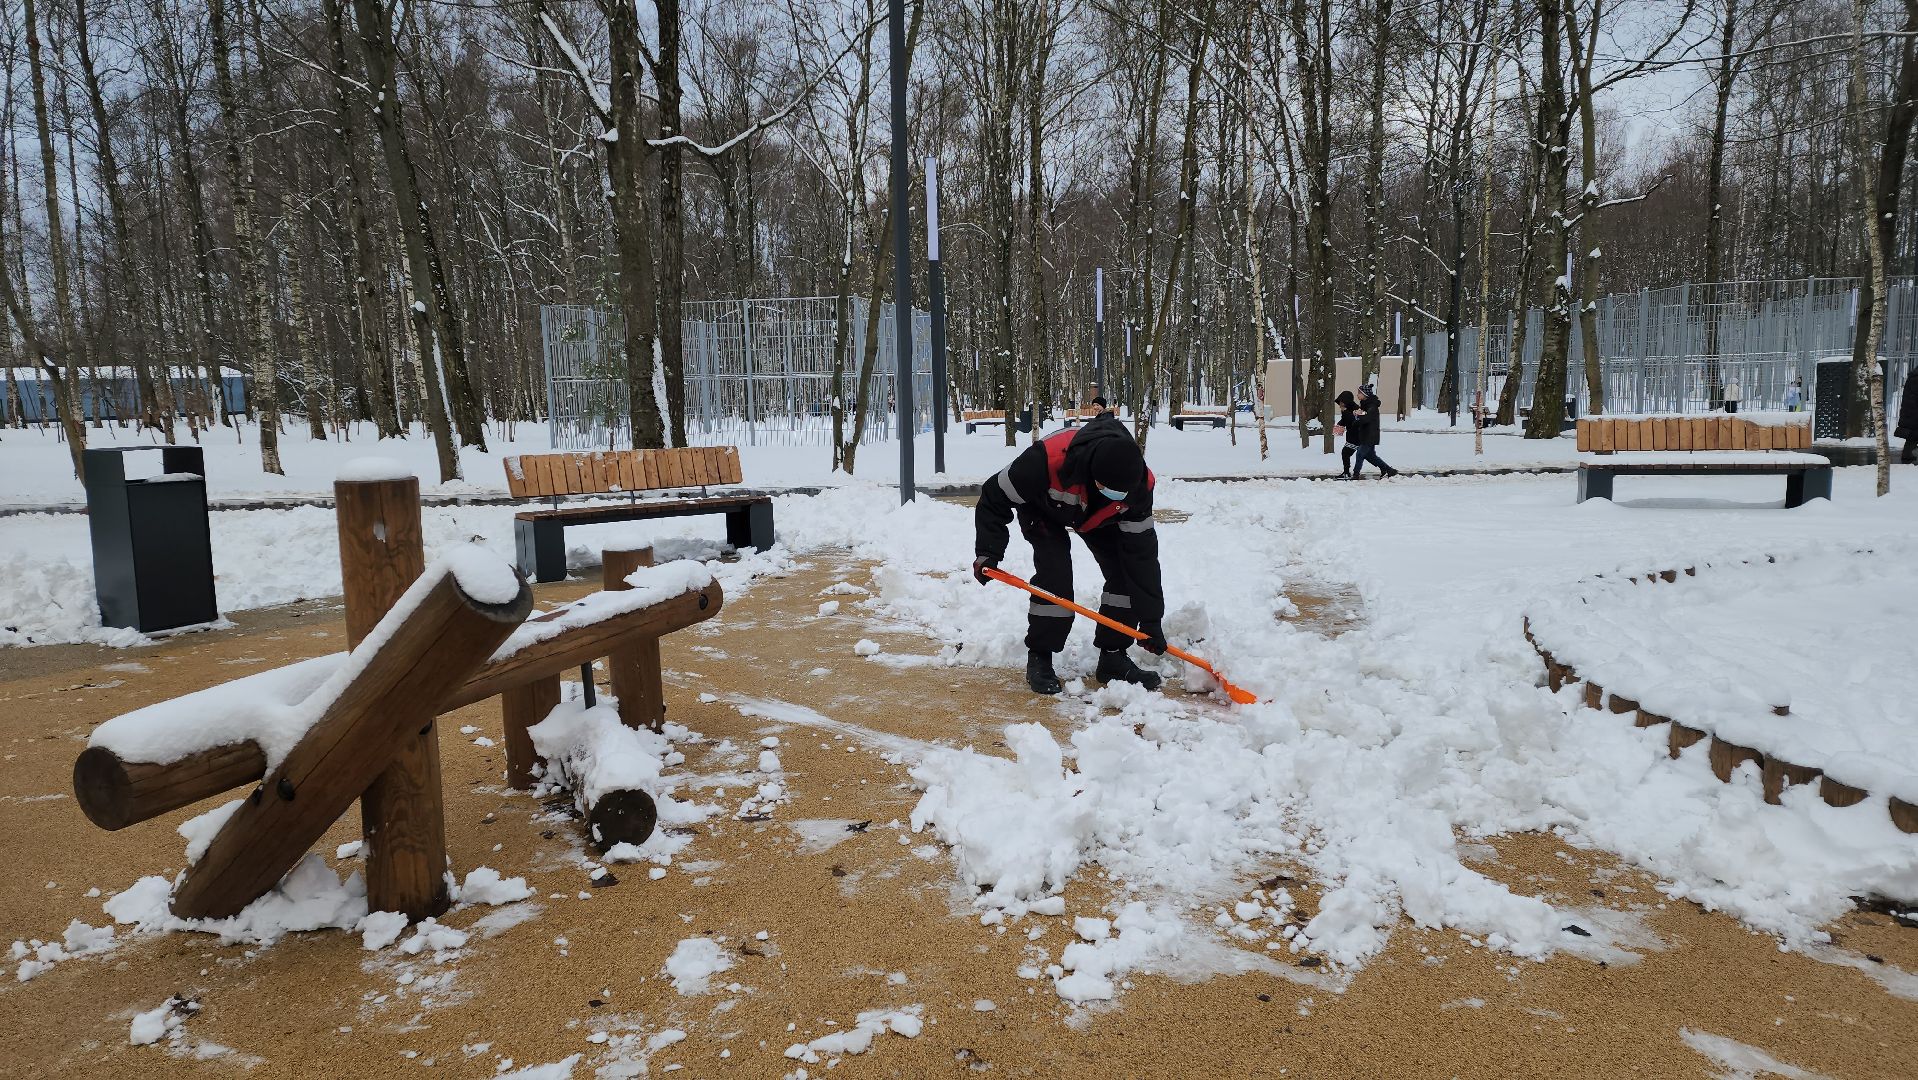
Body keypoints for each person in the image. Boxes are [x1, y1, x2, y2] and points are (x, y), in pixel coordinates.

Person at [972, 411, 1166, 695]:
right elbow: (992, 496)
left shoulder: (1137, 487)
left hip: (1099, 517)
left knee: (1125, 575)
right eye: (1107, 489)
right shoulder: (1044, 461)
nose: (1116, 495)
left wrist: (1151, 620)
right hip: (1043, 509)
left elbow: (1142, 556)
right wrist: (988, 553)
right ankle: (1040, 656)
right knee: (1055, 576)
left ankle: (1113, 655)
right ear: (1091, 474)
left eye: (1120, 493)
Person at [1348, 383, 1399, 479]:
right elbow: (1363, 416)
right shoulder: (1365, 405)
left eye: (1359, 393)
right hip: (1366, 434)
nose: (1357, 395)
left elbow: (1366, 418)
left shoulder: (1372, 406)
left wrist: (1357, 420)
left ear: (1365, 394)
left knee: (1360, 453)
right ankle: (1388, 469)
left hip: (1370, 435)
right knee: (1370, 456)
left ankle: (1355, 474)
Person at [1334, 390, 1360, 479]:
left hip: (1357, 436)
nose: (1340, 404)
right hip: (1352, 436)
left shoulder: (1356, 409)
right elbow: (1345, 420)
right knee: (1369, 456)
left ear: (1346, 401)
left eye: (1341, 402)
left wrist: (1344, 412)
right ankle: (1386, 469)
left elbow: (1352, 420)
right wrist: (1339, 425)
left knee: (1345, 453)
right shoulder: (1346, 409)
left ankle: (1346, 473)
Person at [1897, 366, 1918, 465]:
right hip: (1913, 413)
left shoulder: (1914, 376)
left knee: (1912, 437)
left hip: (1911, 413)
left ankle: (1908, 457)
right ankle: (1908, 459)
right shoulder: (1915, 378)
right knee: (1912, 437)